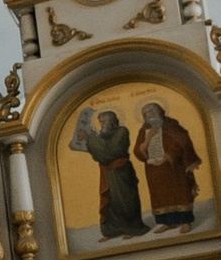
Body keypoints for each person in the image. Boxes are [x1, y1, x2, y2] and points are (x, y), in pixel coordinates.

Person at [69, 102, 145, 240]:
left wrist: (90, 138)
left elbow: (111, 151)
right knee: (110, 202)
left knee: (125, 200)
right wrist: (82, 142)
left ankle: (132, 228)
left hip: (121, 172)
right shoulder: (102, 136)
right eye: (100, 122)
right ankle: (112, 231)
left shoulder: (122, 132)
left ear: (112, 121)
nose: (102, 125)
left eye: (104, 122)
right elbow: (100, 153)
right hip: (108, 172)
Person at [135, 100, 204, 229]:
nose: (149, 116)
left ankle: (185, 221)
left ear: (159, 112)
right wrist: (148, 139)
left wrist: (168, 156)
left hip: (174, 167)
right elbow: (137, 151)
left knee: (179, 192)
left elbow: (182, 142)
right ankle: (167, 222)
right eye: (145, 114)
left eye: (151, 112)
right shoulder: (144, 130)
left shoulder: (171, 125)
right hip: (154, 170)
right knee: (160, 195)